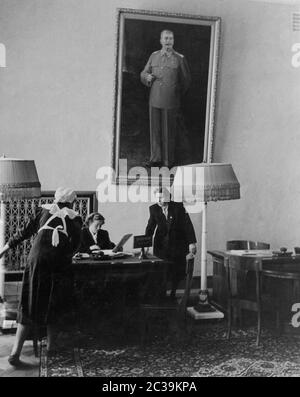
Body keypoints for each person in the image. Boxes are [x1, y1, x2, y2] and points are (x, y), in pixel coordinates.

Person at [0, 187, 83, 366]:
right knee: (55, 301)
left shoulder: (43, 210)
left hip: (36, 260)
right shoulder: (75, 218)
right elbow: (76, 245)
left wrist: (4, 249)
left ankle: (15, 352)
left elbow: (23, 232)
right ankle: (52, 347)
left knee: (29, 303)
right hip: (58, 262)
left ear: (55, 199)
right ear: (72, 202)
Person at [140, 30, 191, 168]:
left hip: (171, 99)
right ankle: (155, 158)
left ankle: (168, 161)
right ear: (161, 40)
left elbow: (186, 81)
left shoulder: (179, 58)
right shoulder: (154, 56)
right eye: (166, 38)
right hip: (154, 97)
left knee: (169, 131)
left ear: (173, 41)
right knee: (155, 130)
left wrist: (176, 94)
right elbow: (144, 72)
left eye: (171, 38)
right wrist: (146, 77)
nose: (168, 41)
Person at [145, 187, 197, 299]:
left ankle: (173, 293)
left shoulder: (178, 207)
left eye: (161, 197)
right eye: (157, 198)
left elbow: (187, 224)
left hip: (177, 243)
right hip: (161, 245)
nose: (159, 200)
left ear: (168, 197)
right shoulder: (153, 209)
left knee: (177, 270)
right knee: (162, 270)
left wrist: (192, 242)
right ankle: (162, 295)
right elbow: (150, 227)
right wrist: (145, 243)